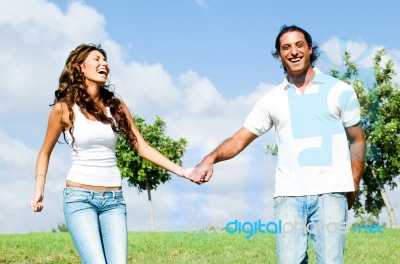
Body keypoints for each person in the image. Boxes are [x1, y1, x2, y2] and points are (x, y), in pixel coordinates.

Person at [189, 25, 366, 263]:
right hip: (288, 196)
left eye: (299, 45)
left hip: (331, 192)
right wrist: (210, 158)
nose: (293, 51)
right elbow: (240, 138)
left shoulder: (340, 91)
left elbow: (357, 139)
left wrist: (353, 182)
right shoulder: (272, 99)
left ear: (310, 49)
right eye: (286, 47)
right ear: (279, 55)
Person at [30, 44, 192, 264]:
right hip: (80, 199)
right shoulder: (64, 108)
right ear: (80, 67)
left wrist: (182, 171)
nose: (104, 63)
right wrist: (39, 189)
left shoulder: (115, 106)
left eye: (105, 60)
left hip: (114, 201)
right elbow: (44, 152)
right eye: (96, 59)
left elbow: (142, 147)